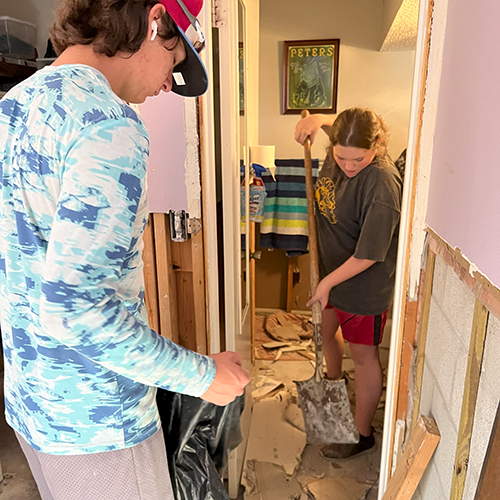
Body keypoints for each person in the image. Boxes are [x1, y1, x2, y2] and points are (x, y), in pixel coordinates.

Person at [0, 1, 249, 499]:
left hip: (31, 402)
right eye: (174, 63)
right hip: (99, 423)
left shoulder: (14, 105)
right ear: (155, 22)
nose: (166, 84)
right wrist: (201, 377)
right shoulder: (108, 125)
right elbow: (76, 310)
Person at [295, 109, 402, 460]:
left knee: (364, 355)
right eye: (341, 156)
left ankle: (361, 434)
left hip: (363, 286)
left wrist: (326, 282)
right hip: (331, 277)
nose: (348, 165)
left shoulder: (382, 184)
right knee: (325, 335)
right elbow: (335, 126)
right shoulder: (338, 149)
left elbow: (370, 255)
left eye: (358, 159)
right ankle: (333, 390)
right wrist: (318, 122)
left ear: (379, 145)